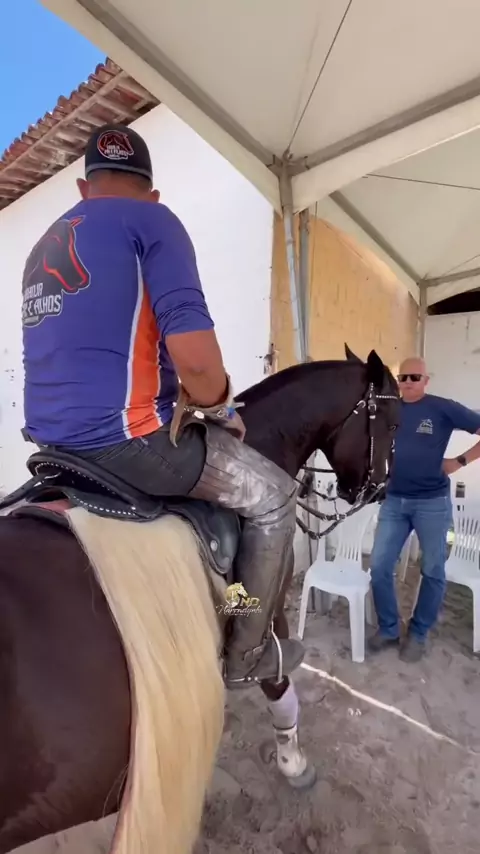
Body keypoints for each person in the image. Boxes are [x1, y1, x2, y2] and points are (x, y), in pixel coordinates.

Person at [21, 122, 304, 689]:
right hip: (126, 444)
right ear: (152, 194)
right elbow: (197, 364)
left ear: (83, 188)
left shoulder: (42, 245)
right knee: (275, 499)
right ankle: (246, 655)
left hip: (52, 448)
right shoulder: (153, 222)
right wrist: (223, 409)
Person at [368, 356, 480, 662]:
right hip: (394, 501)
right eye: (403, 377)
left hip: (432, 503)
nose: (407, 382)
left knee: (432, 569)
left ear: (426, 380)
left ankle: (418, 633)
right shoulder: (391, 408)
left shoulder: (442, 408)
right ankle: (389, 628)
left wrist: (459, 461)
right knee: (379, 566)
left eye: (414, 377)